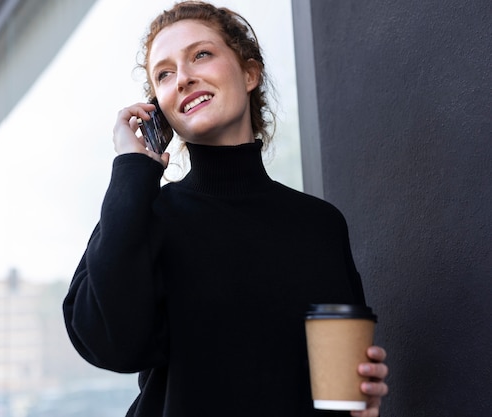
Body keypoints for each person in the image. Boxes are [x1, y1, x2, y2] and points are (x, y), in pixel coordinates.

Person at [63, 2, 389, 416]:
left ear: (250, 74)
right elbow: (108, 341)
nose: (183, 78)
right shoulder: (148, 216)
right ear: (158, 109)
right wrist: (133, 168)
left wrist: (361, 400)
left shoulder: (320, 225)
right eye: (164, 74)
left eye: (201, 54)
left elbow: (334, 386)